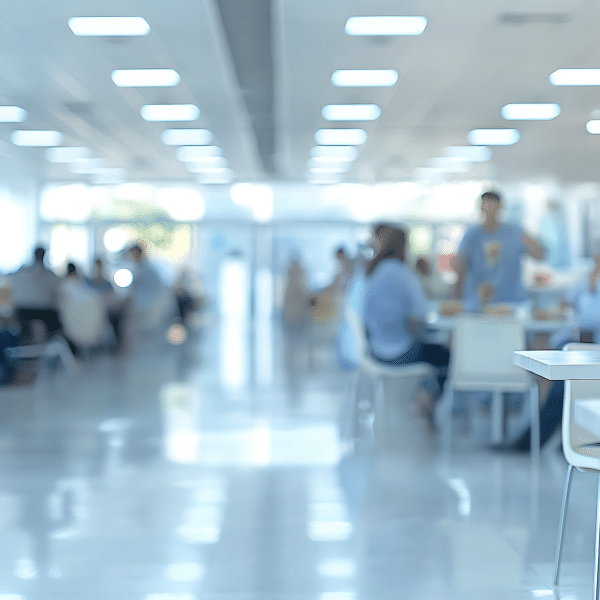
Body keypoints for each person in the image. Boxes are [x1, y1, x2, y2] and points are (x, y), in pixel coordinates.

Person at [363, 226, 450, 427]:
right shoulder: (402, 274)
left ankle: (424, 393)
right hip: (401, 354)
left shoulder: (373, 273)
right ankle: (427, 396)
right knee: (447, 355)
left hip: (375, 351)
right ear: (402, 246)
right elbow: (420, 315)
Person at [452, 191, 545, 311]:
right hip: (479, 304)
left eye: (493, 206)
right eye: (486, 206)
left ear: (500, 208)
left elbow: (540, 256)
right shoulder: (472, 236)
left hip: (512, 303)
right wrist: (457, 300)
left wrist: (534, 245)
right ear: (481, 208)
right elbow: (460, 269)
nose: (489, 211)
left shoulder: (515, 232)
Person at [8, 247, 62, 343]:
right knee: (57, 327)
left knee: (22, 330)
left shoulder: (20, 273)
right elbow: (57, 297)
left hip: (22, 311)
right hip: (45, 312)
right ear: (44, 256)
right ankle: (56, 347)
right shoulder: (51, 275)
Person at [87, 258, 127, 353]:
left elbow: (112, 297)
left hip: (107, 308)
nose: (98, 269)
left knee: (118, 315)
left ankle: (118, 346)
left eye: (100, 267)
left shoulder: (107, 283)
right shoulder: (88, 282)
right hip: (93, 311)